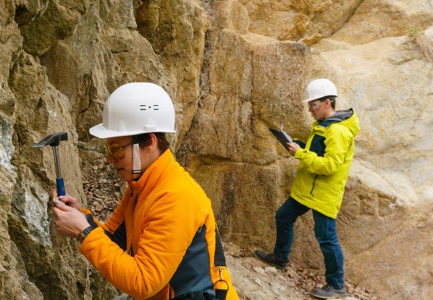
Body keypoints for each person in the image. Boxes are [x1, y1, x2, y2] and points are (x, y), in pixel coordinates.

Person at [52, 82, 239, 300]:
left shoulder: (176, 197)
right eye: (108, 148)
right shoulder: (142, 185)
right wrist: (83, 219)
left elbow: (143, 282)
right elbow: (113, 240)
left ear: (149, 142)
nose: (109, 158)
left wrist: (84, 232)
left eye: (116, 149)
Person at [254, 78, 360, 299]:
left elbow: (331, 166)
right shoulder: (324, 126)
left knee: (326, 238)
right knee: (283, 217)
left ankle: (336, 286)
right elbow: (319, 152)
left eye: (313, 105)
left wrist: (300, 154)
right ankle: (280, 258)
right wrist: (299, 145)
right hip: (307, 191)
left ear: (328, 103)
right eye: (310, 105)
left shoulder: (338, 132)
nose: (310, 109)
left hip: (323, 194)